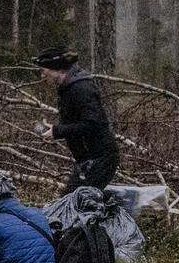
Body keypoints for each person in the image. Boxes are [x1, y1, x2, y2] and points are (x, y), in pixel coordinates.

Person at [34, 48, 120, 191]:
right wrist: (55, 129)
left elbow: (93, 124)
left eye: (44, 70)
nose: (42, 75)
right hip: (87, 160)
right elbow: (78, 121)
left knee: (75, 204)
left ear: (58, 69)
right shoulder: (67, 88)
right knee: (72, 203)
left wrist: (59, 131)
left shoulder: (81, 88)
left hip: (100, 159)